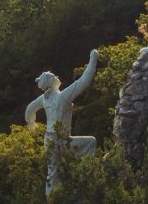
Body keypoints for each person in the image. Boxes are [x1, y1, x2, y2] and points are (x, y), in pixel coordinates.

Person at [25, 49, 99, 195]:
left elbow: (29, 110)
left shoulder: (44, 99)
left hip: (49, 140)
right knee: (91, 143)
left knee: (53, 173)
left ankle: (53, 199)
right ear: (51, 82)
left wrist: (31, 125)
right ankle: (86, 179)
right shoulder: (62, 97)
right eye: (53, 76)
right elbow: (84, 81)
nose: (57, 76)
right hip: (62, 141)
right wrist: (93, 59)